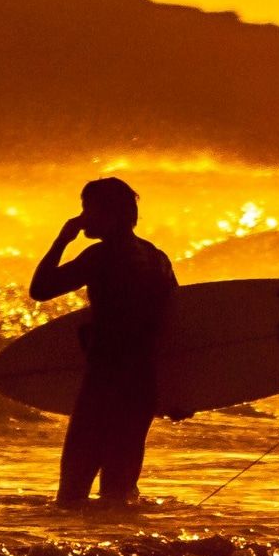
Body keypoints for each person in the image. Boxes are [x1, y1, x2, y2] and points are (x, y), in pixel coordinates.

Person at [29, 176, 177, 505]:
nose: (82, 218)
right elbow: (173, 328)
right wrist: (178, 393)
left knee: (71, 494)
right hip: (142, 388)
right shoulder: (158, 259)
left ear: (108, 214)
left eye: (87, 209)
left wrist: (62, 240)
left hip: (104, 385)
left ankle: (80, 555)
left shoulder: (102, 256)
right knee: (118, 495)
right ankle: (118, 550)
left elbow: (40, 289)